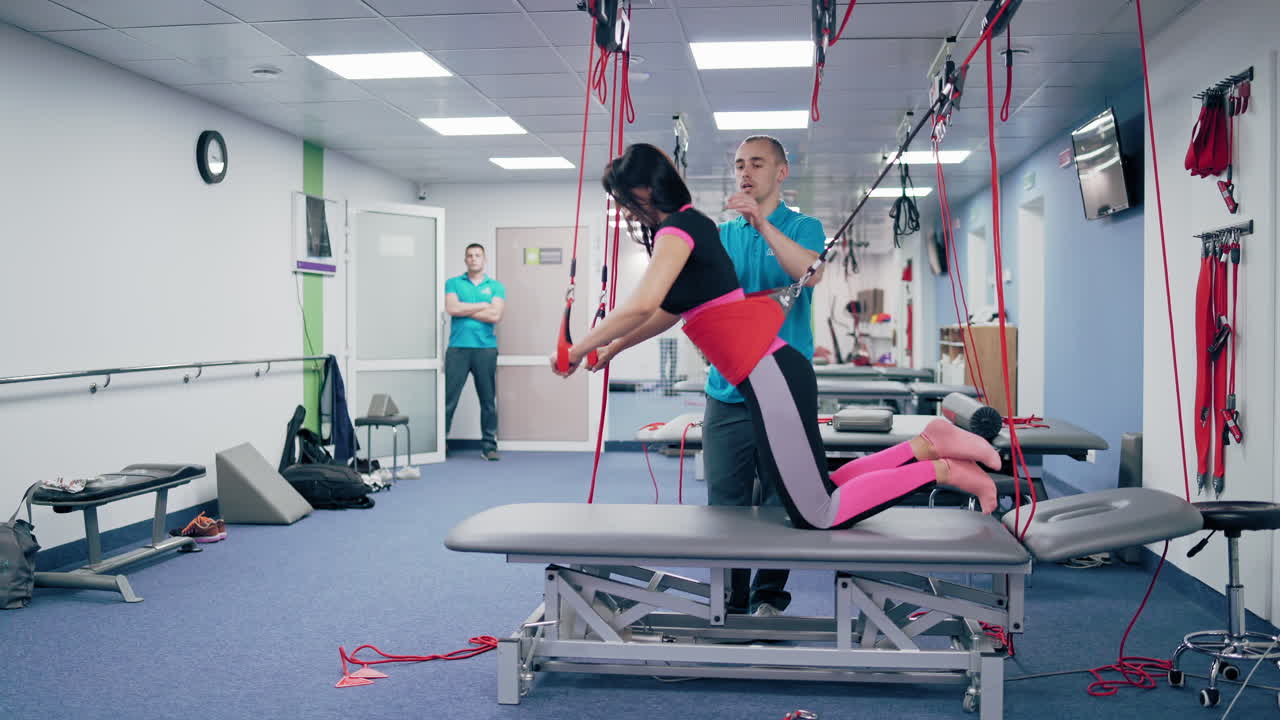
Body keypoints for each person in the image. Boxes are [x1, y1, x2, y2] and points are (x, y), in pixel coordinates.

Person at [553, 143, 998, 533]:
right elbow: (665, 312)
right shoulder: (693, 228)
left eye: (626, 199)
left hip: (770, 375)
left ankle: (942, 469)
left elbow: (641, 304)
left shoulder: (679, 229)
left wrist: (578, 347)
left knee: (817, 512)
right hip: (768, 373)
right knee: (820, 491)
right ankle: (929, 442)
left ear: (647, 191)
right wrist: (612, 348)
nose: (625, 211)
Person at [701, 135, 826, 617]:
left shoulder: (804, 227)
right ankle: (730, 599)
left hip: (784, 389)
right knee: (725, 502)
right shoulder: (722, 234)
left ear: (781, 172)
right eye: (739, 165)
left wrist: (762, 222)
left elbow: (809, 272)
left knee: (781, 498)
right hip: (727, 389)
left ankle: (768, 597)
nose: (745, 172)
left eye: (756, 163)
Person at [444, 243, 505, 461]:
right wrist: (483, 305)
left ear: (484, 259)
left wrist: (464, 309)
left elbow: (495, 315)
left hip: (485, 349)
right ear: (465, 259)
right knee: (448, 400)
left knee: (488, 401)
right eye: (469, 255)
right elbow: (452, 308)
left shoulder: (496, 286)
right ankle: (440, 443)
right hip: (458, 349)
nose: (473, 259)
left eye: (477, 255)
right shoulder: (453, 283)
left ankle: (489, 446)